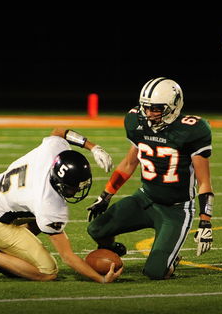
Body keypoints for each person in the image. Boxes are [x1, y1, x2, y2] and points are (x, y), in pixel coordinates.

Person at [85, 77, 214, 280]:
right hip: (144, 199)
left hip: (176, 210)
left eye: (156, 109)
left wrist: (205, 221)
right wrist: (106, 195)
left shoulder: (191, 131)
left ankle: (169, 259)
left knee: (155, 272)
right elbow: (129, 163)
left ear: (173, 106)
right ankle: (114, 251)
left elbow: (204, 181)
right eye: (146, 108)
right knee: (97, 228)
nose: (149, 114)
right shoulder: (137, 122)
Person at [0, 128, 123, 284]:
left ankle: (12, 251)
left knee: (40, 222)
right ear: (60, 184)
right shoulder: (48, 202)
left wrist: (93, 147)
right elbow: (67, 257)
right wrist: (100, 279)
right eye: (73, 187)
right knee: (48, 270)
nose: (77, 191)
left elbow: (59, 132)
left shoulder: (53, 151)